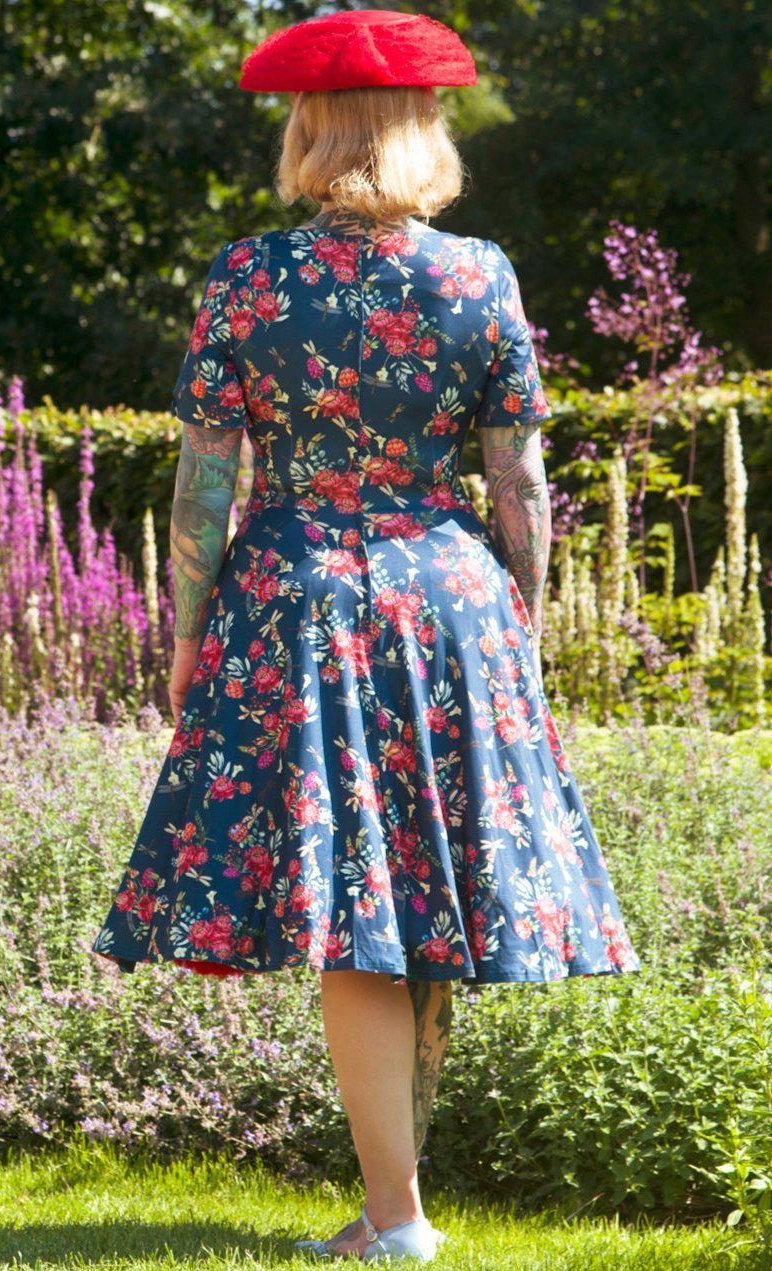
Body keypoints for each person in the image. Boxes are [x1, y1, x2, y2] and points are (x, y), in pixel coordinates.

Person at [90, 10, 641, 1262]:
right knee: (417, 901)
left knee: (357, 906)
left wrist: (186, 633)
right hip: (451, 601)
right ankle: (394, 1203)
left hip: (297, 600)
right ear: (420, 132)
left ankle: (396, 1216)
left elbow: (203, 486)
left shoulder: (248, 275)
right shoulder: (480, 274)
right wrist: (524, 621)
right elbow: (521, 485)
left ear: (308, 131)